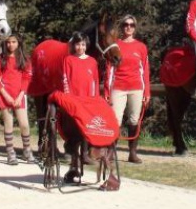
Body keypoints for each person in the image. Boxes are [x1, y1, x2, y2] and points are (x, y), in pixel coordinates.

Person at [105, 15, 150, 164]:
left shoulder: (141, 47)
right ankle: (111, 152)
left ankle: (132, 153)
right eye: (125, 24)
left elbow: (145, 70)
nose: (128, 27)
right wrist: (107, 91)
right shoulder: (115, 45)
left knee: (134, 120)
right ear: (122, 27)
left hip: (136, 88)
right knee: (115, 120)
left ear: (135, 28)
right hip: (118, 87)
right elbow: (109, 69)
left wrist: (147, 92)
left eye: (131, 25)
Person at [0, 34, 35, 165]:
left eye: (14, 42)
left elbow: (27, 78)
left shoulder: (24, 59)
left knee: (24, 124)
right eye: (8, 42)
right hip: (5, 95)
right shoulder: (1, 59)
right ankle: (10, 152)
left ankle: (27, 150)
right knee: (8, 124)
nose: (11, 45)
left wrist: (20, 95)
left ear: (19, 43)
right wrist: (5, 95)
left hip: (19, 96)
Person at [62, 32, 100, 165]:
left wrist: (95, 99)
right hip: (74, 99)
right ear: (74, 45)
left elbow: (95, 80)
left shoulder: (92, 61)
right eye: (78, 44)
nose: (80, 47)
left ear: (86, 45)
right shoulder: (69, 60)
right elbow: (65, 78)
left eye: (83, 44)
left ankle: (84, 154)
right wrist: (68, 97)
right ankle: (72, 152)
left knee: (86, 127)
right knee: (74, 126)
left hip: (88, 100)